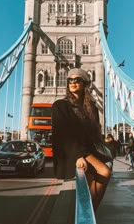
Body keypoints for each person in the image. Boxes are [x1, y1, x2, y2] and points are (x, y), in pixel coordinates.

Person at [52, 68, 111, 211]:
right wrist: (78, 156)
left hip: (88, 150)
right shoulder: (60, 106)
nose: (73, 82)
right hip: (74, 151)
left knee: (92, 186)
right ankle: (87, 213)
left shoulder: (92, 108)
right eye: (70, 80)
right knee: (104, 171)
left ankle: (89, 215)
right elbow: (60, 134)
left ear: (85, 84)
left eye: (77, 80)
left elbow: (94, 135)